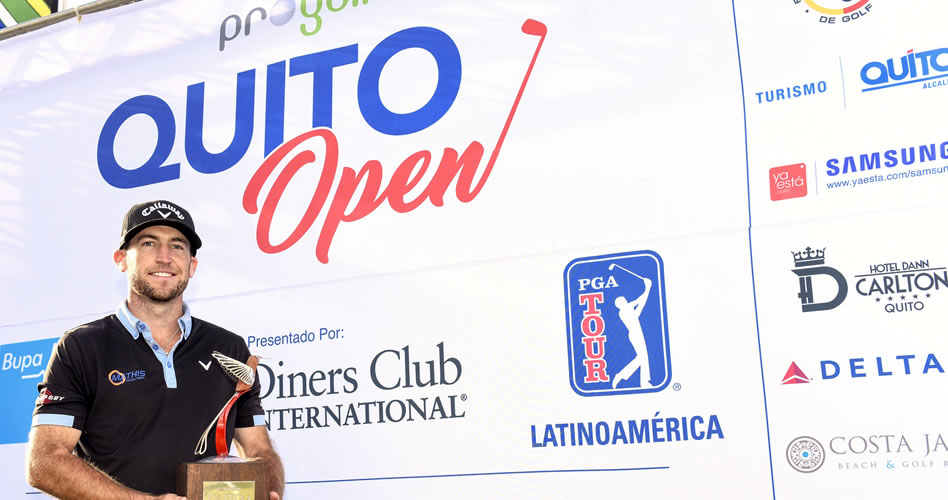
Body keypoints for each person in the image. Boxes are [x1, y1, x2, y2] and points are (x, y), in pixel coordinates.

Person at [25, 200, 285, 499]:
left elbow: (259, 450)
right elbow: (45, 462)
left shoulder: (230, 348)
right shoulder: (81, 346)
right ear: (121, 259)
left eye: (177, 246)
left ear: (192, 266)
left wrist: (269, 490)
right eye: (149, 243)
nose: (164, 257)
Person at [611, 270, 654, 389]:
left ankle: (641, 381)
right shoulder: (624, 310)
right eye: (623, 300)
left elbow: (641, 305)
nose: (625, 300)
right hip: (635, 334)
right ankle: (627, 377)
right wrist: (647, 287)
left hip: (636, 333)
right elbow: (639, 301)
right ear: (620, 304)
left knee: (642, 358)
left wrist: (648, 288)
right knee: (642, 358)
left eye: (625, 299)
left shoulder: (628, 310)